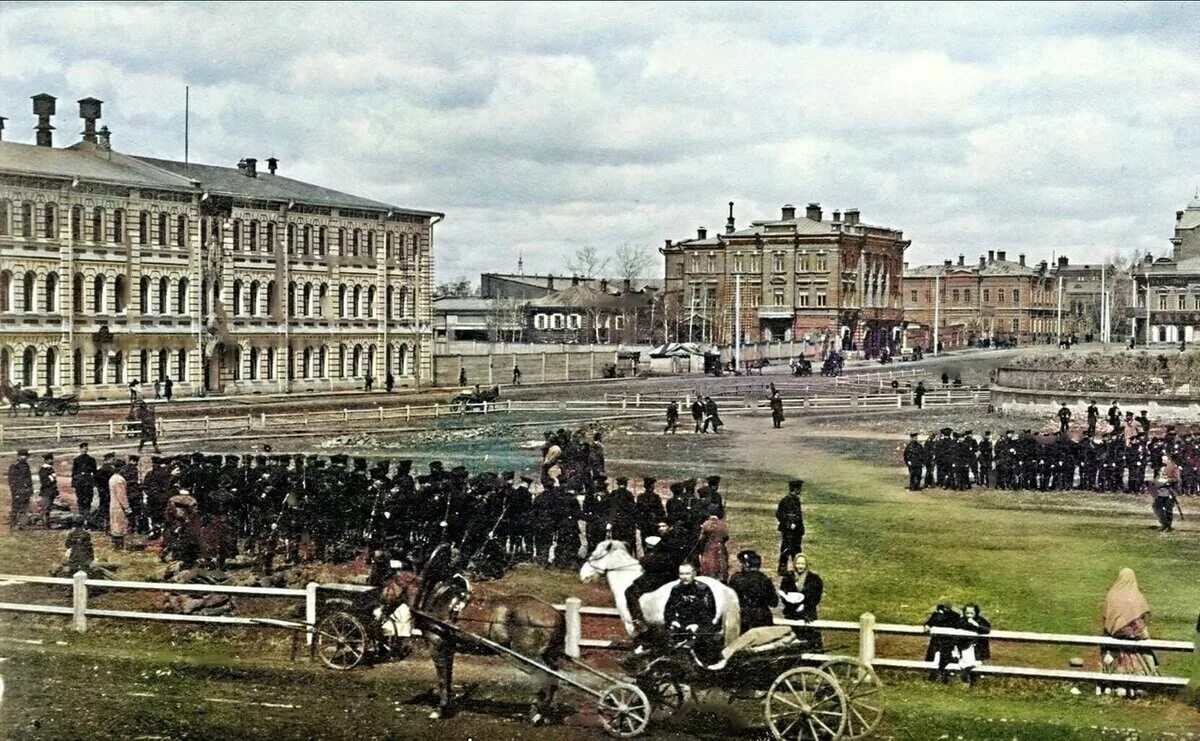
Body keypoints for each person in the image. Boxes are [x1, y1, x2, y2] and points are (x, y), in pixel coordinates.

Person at [1101, 568, 1159, 679]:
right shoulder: (1137, 597)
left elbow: (1106, 619)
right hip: (1135, 641)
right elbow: (1141, 624)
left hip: (1115, 639)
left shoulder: (1111, 596)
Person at [664, 563, 721, 666]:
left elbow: (709, 611)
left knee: (705, 641)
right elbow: (669, 609)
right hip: (683, 623)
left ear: (694, 574)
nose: (684, 577)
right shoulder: (676, 589)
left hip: (701, 624)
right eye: (681, 574)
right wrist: (673, 620)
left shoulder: (703, 589)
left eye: (687, 574)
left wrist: (697, 624)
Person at [778, 553, 823, 649]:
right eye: (798, 564)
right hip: (791, 614)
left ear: (806, 564)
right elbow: (783, 594)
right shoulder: (788, 577)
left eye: (802, 564)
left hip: (808, 615)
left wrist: (804, 606)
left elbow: (816, 597)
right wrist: (793, 604)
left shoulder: (814, 579)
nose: (800, 566)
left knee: (809, 641)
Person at [729, 550, 777, 632]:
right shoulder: (765, 579)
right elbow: (773, 603)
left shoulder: (736, 579)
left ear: (746, 564)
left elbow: (730, 600)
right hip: (762, 619)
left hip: (743, 619)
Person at [923, 603, 961, 683]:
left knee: (944, 658)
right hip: (938, 641)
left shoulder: (953, 616)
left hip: (947, 642)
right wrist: (927, 625)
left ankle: (941, 677)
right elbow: (929, 623)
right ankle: (934, 677)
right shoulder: (938, 616)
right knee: (935, 658)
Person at [775, 480, 805, 575]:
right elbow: (780, 514)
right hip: (789, 531)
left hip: (795, 530)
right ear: (796, 489)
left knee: (795, 550)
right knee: (787, 549)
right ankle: (783, 569)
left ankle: (794, 568)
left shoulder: (792, 500)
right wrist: (788, 524)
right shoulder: (788, 501)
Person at [958, 603, 992, 686]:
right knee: (964, 665)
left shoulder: (981, 620)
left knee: (975, 666)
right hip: (965, 648)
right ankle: (965, 684)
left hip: (978, 649)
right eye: (967, 613)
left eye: (971, 613)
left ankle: (974, 685)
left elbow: (987, 630)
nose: (969, 615)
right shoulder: (961, 621)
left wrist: (976, 625)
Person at [697, 505, 729, 581]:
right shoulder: (723, 524)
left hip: (710, 546)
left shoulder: (707, 524)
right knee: (721, 563)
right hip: (721, 546)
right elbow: (726, 537)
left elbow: (702, 538)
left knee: (710, 564)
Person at [8, 449, 34, 530]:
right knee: (16, 508)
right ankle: (13, 524)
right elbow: (12, 480)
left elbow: (29, 479)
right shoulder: (14, 466)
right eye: (23, 455)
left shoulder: (26, 465)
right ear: (18, 456)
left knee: (25, 509)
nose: (24, 457)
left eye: (26, 456)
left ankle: (22, 525)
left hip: (26, 491)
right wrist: (15, 491)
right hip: (18, 491)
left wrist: (30, 489)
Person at [108, 460, 131, 550]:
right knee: (119, 527)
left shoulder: (112, 478)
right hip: (119, 507)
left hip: (113, 505)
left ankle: (116, 546)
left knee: (115, 526)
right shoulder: (119, 480)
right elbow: (122, 496)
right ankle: (119, 547)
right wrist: (127, 508)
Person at [71, 443, 97, 518]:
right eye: (83, 448)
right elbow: (74, 472)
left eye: (86, 448)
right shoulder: (76, 460)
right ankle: (81, 514)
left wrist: (94, 483)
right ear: (80, 449)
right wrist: (74, 483)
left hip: (88, 481)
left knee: (88, 498)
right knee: (80, 498)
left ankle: (87, 514)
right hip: (79, 482)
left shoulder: (91, 460)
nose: (84, 449)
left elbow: (94, 472)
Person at [37, 452, 57, 529]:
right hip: (46, 492)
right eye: (51, 459)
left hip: (51, 491)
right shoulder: (43, 470)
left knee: (48, 508)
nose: (52, 461)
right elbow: (46, 482)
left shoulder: (50, 469)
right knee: (45, 509)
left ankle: (47, 525)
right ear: (47, 460)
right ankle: (46, 525)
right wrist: (52, 479)